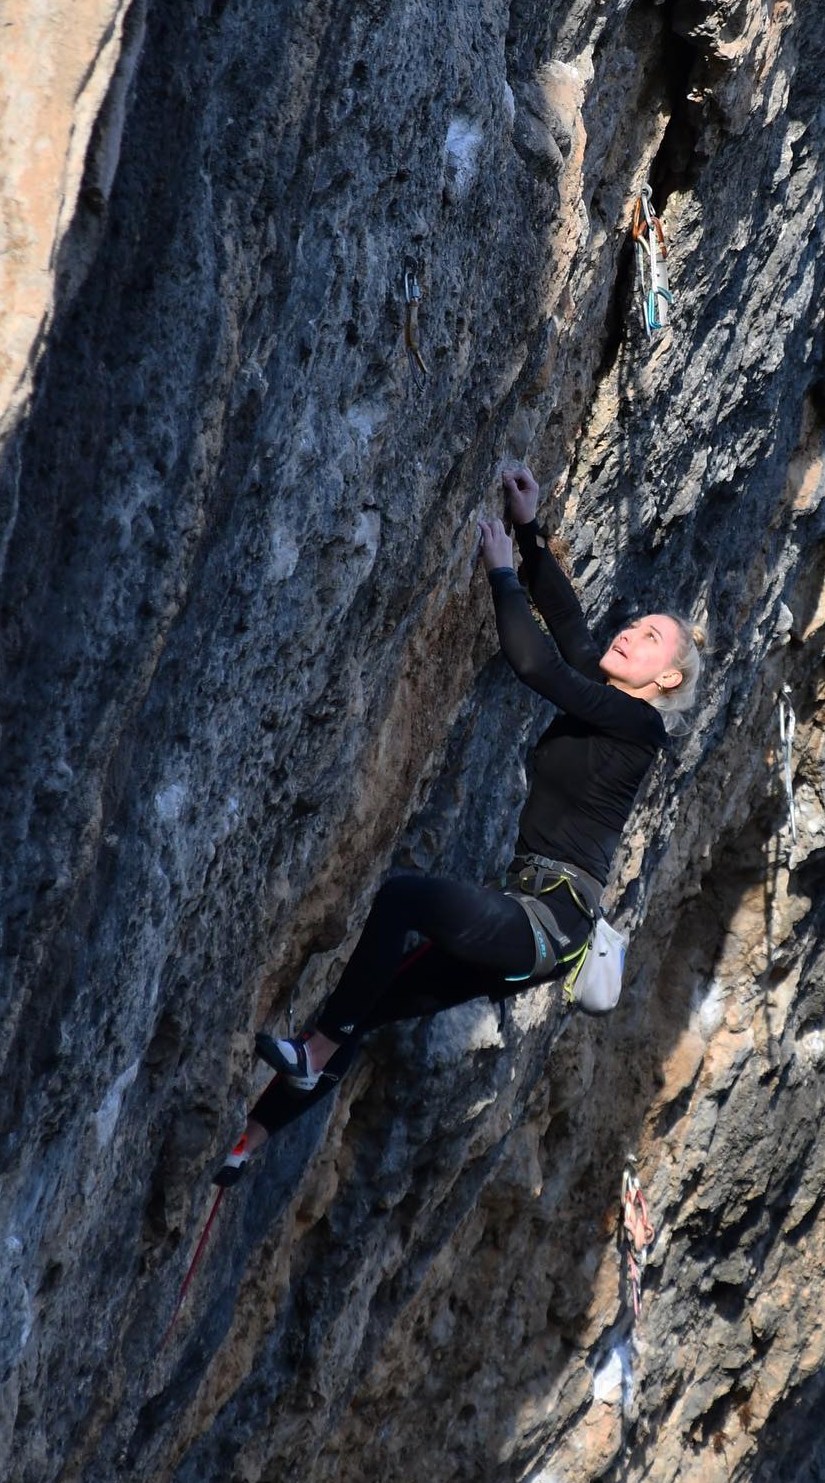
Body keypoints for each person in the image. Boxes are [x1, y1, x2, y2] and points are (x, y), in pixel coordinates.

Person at [214, 464, 705, 1185]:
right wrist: (530, 532)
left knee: (402, 898)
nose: (632, 632)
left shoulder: (637, 723)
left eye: (651, 637)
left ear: (665, 680)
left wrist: (501, 573)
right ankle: (250, 1141)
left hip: (543, 922)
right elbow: (569, 634)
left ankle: (314, 1052)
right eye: (637, 623)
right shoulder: (611, 701)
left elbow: (535, 663)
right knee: (369, 1001)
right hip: (530, 926)